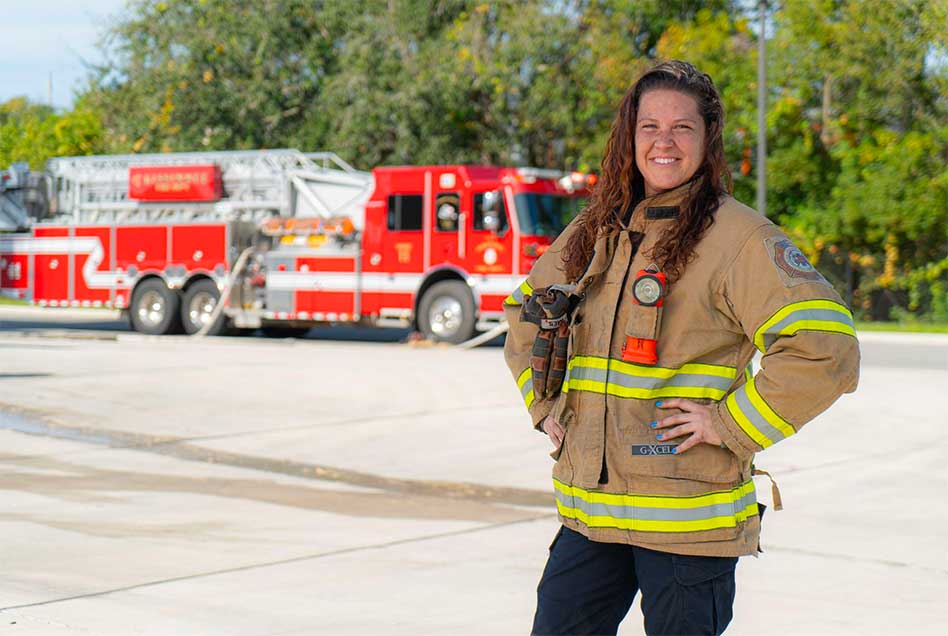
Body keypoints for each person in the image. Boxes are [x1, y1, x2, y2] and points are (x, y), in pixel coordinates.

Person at [503, 60, 860, 636]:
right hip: (590, 518)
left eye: (682, 128)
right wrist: (545, 407)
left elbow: (827, 350)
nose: (663, 141)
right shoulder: (595, 229)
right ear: (630, 135)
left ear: (707, 139)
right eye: (650, 127)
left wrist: (731, 423)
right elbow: (524, 315)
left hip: (686, 526)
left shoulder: (739, 238)